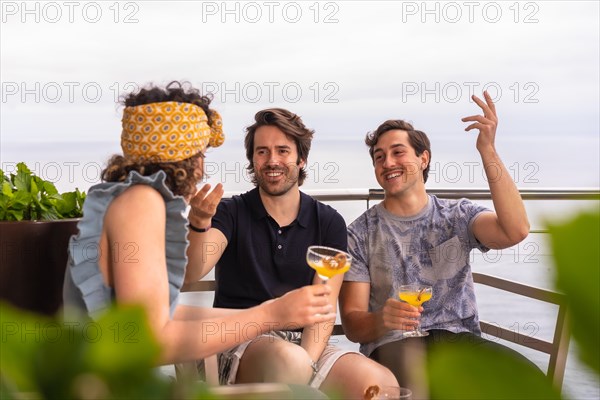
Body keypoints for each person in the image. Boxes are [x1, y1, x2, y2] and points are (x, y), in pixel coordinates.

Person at [62, 82, 337, 365]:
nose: (202, 168)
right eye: (202, 154)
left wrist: (270, 312)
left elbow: (162, 313)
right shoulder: (141, 203)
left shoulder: (133, 198)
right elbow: (149, 341)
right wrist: (270, 316)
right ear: (184, 156)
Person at [185, 108, 398, 398]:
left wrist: (308, 363)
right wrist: (198, 224)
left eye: (282, 151)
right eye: (262, 152)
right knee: (288, 362)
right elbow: (193, 270)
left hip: (304, 344)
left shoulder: (329, 222)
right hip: (237, 337)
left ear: (301, 159)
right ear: (253, 160)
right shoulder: (231, 212)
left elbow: (322, 308)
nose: (272, 161)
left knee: (380, 384)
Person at [339, 92, 534, 397]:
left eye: (398, 152)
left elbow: (516, 230)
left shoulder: (457, 216)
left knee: (530, 382)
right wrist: (381, 320)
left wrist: (488, 151)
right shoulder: (359, 234)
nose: (388, 162)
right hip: (394, 349)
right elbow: (352, 325)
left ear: (423, 158)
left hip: (459, 345)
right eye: (379, 157)